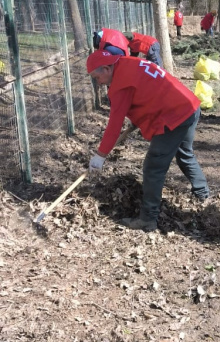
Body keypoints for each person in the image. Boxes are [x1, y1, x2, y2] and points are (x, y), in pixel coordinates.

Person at [86, 50, 210, 231]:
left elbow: (114, 125)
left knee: (153, 167)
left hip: (174, 116)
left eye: (97, 77)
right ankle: (202, 194)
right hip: (189, 105)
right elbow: (146, 90)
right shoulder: (128, 62)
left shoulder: (120, 84)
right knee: (184, 153)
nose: (98, 82)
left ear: (106, 68)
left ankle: (147, 219)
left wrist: (100, 155)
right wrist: (137, 119)